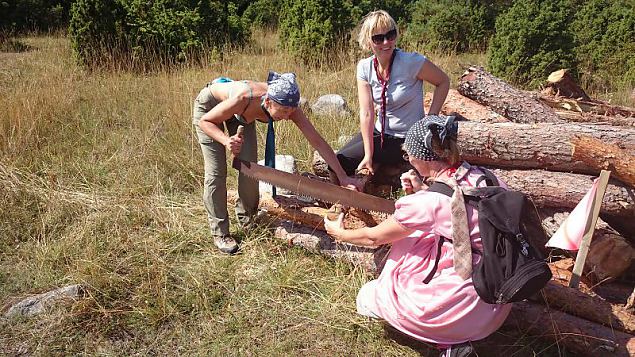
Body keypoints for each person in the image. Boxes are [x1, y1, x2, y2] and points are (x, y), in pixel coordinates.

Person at [324, 115, 511, 356]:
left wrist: (340, 233)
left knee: (369, 297)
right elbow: (460, 208)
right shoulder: (483, 176)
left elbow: (374, 238)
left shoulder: (428, 203)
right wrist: (424, 188)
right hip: (496, 299)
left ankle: (447, 342)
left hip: (465, 308)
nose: (408, 160)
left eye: (407, 154)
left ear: (421, 157)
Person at [193, 71, 357, 254]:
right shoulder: (245, 98)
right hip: (209, 111)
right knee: (217, 173)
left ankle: (248, 219)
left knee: (249, 168)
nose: (288, 116)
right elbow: (205, 122)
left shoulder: (289, 104)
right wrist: (226, 141)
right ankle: (220, 233)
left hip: (238, 115)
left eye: (291, 111)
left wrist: (342, 176)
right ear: (268, 101)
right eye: (284, 111)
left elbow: (316, 140)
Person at [333, 10, 450, 182]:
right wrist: (368, 153)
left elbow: (443, 81)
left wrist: (430, 119)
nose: (386, 42)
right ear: (368, 41)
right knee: (336, 164)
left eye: (391, 35)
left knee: (348, 163)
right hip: (380, 132)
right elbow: (367, 113)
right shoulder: (365, 67)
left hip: (405, 138)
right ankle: (344, 203)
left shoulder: (412, 62)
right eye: (378, 38)